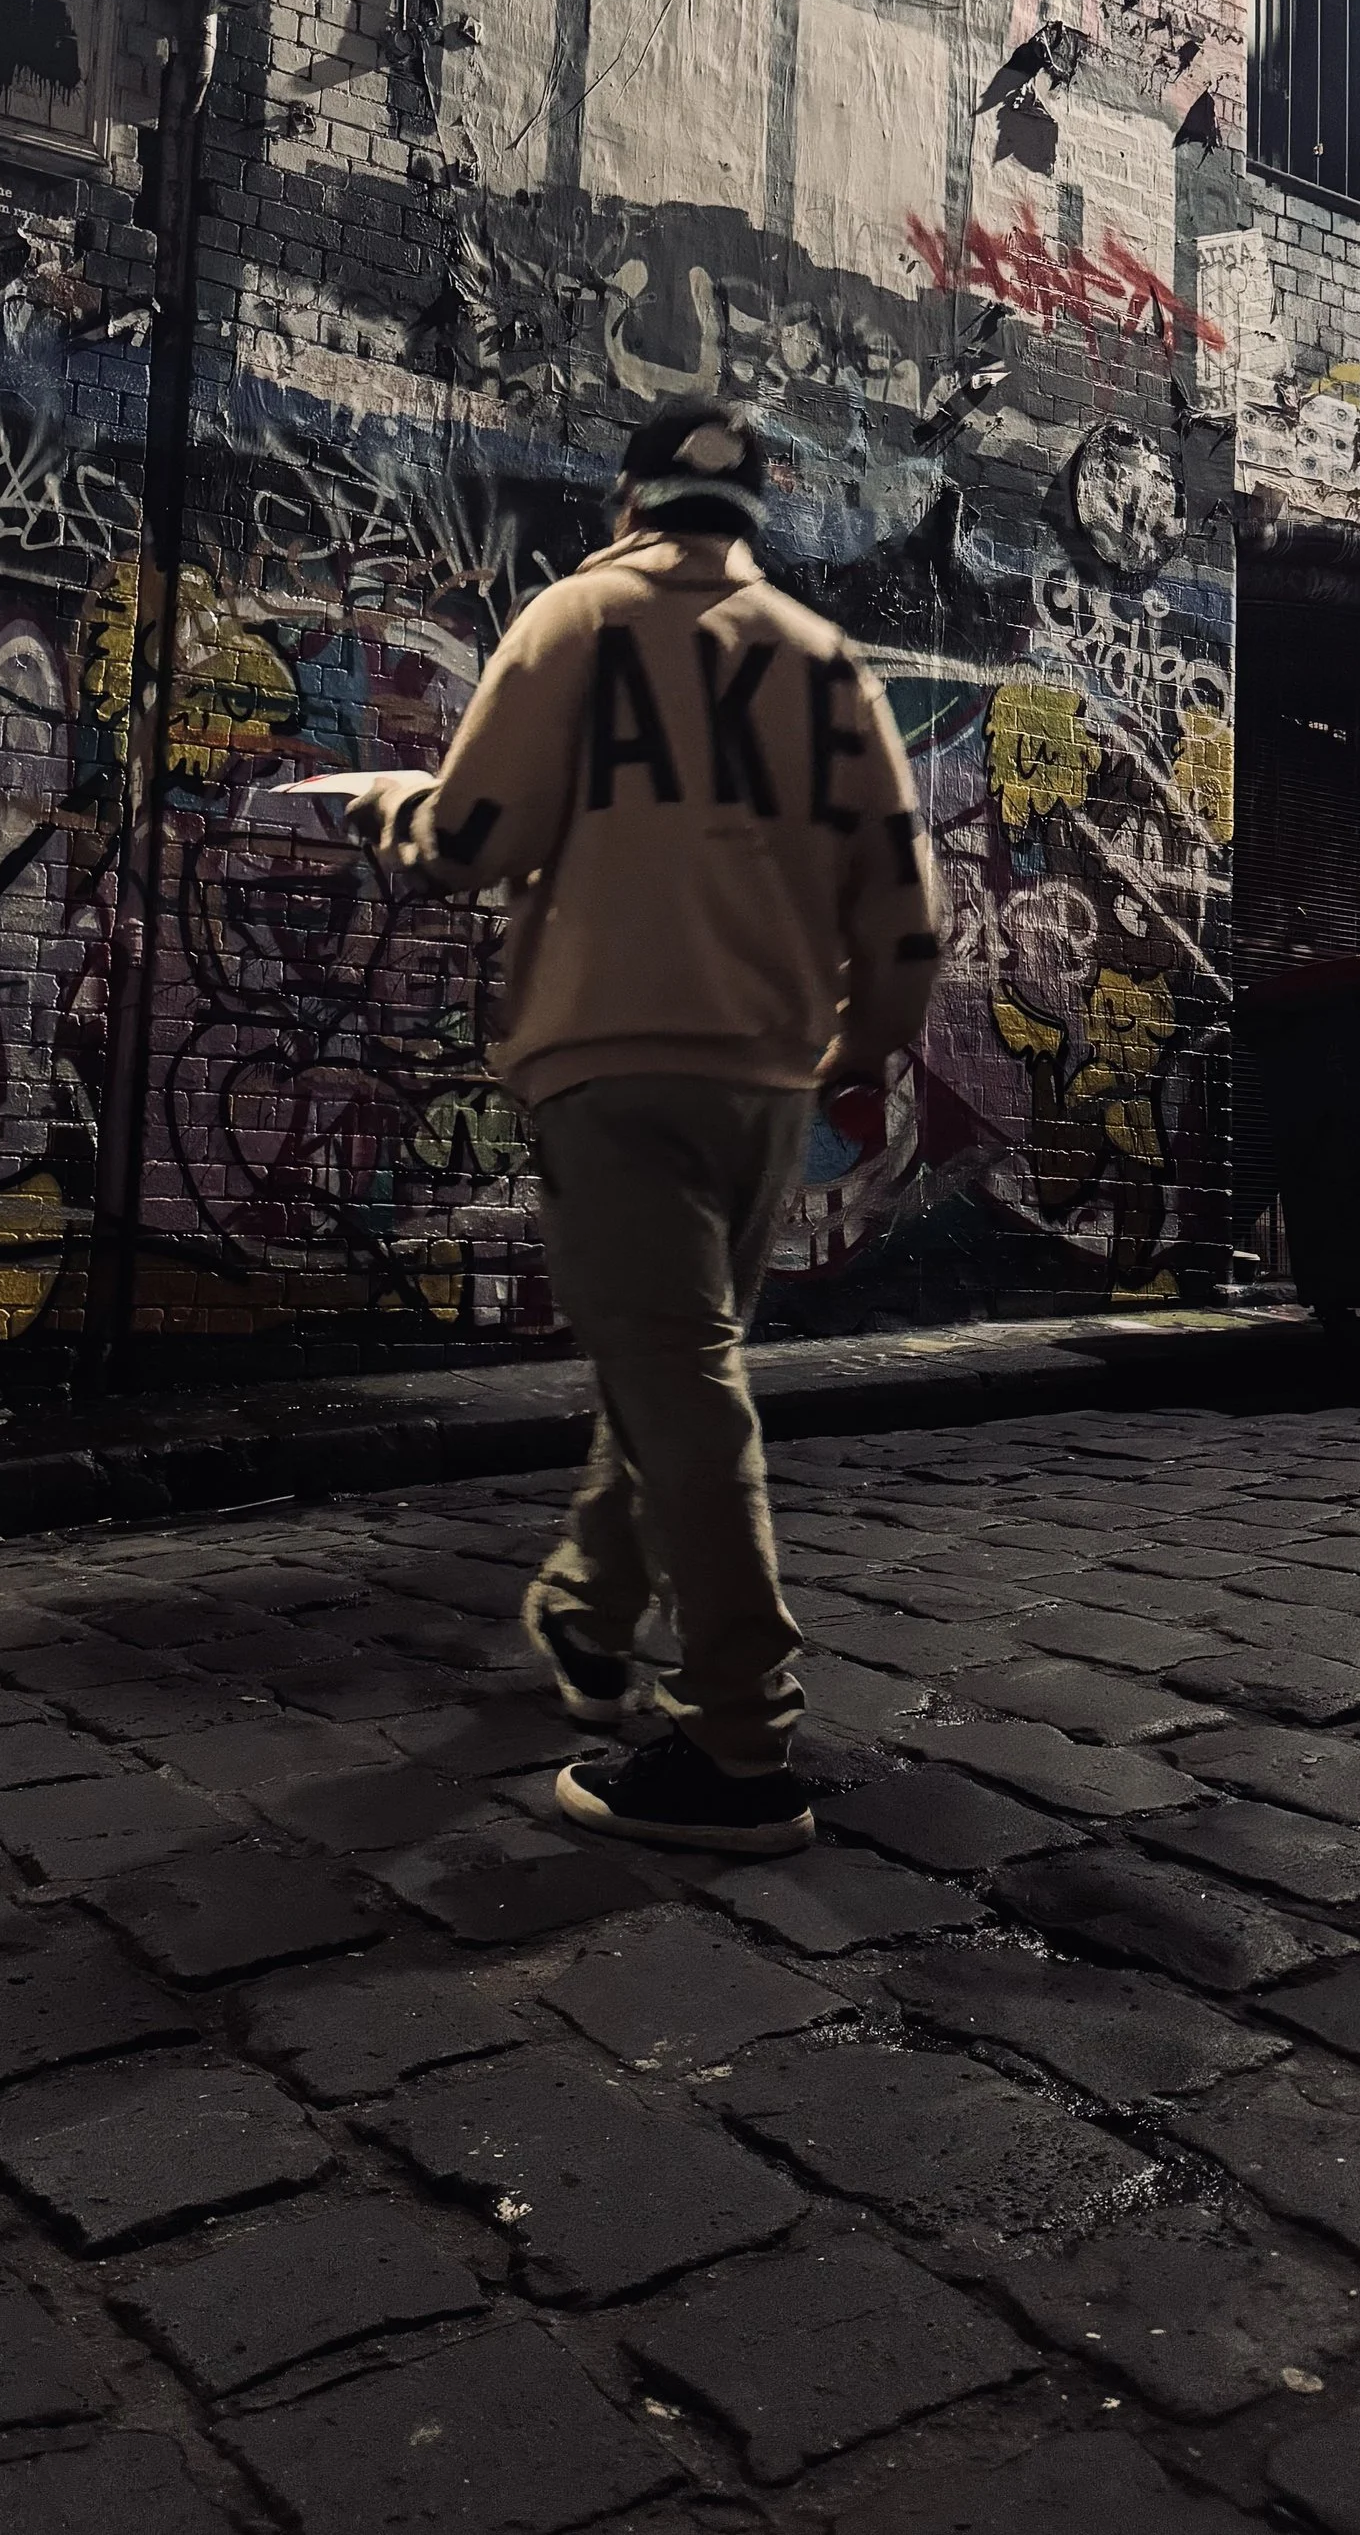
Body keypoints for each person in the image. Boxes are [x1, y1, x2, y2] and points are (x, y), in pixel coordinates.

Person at [341, 406, 946, 1852]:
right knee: (672, 1360)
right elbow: (908, 913)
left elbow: (475, 843)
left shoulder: (574, 619)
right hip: (764, 1081)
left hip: (608, 1064)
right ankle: (594, 1616)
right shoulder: (825, 662)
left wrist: (394, 810)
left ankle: (742, 1744)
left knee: (677, 1376)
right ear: (748, 518)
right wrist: (857, 1051)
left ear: (629, 501)